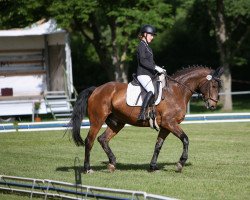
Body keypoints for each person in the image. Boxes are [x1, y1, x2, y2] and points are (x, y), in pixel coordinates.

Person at [136, 24, 165, 121]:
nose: (152, 37)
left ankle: (154, 111)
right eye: (151, 35)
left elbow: (151, 62)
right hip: (142, 74)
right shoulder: (141, 45)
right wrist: (155, 67)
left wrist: (159, 69)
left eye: (153, 35)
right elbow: (143, 61)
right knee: (151, 90)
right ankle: (142, 113)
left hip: (149, 74)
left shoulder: (148, 47)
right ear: (145, 34)